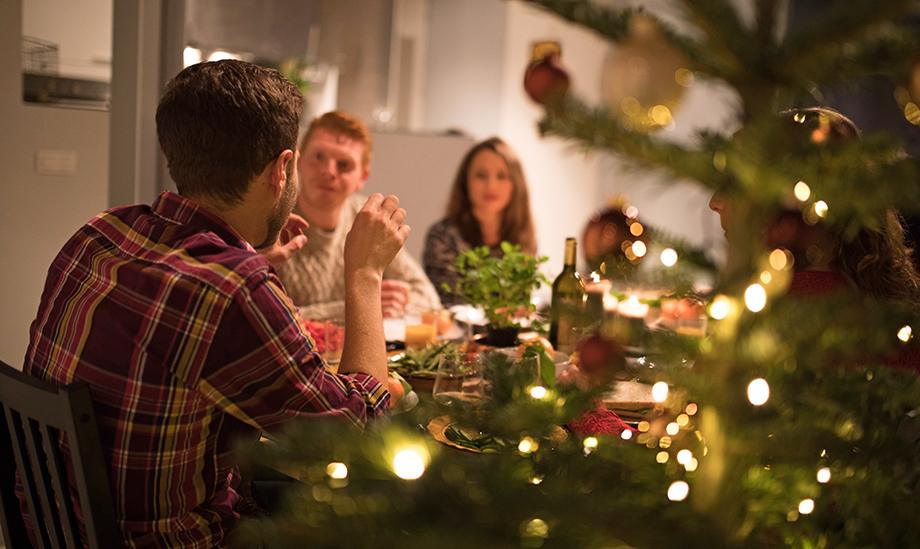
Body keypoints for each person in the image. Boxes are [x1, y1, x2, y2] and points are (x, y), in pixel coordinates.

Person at [22, 60, 406, 547]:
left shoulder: (100, 233)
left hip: (57, 530)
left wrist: (251, 258)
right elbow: (356, 437)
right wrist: (365, 273)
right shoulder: (233, 290)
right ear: (282, 168)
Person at [708, 106, 920, 373]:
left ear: (789, 200)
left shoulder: (767, 313)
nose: (714, 202)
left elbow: (699, 402)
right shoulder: (891, 308)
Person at [276, 111, 441, 319]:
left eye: (344, 165)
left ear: (362, 177)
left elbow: (428, 297)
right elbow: (269, 317)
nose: (328, 171)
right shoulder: (273, 220)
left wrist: (397, 303)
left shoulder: (368, 219)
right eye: (318, 157)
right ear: (298, 161)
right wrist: (361, 304)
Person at [423, 137, 538, 305]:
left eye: (501, 176)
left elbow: (519, 305)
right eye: (481, 175)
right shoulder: (443, 236)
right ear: (465, 182)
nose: (491, 186)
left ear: (516, 184)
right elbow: (450, 305)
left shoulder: (523, 236)